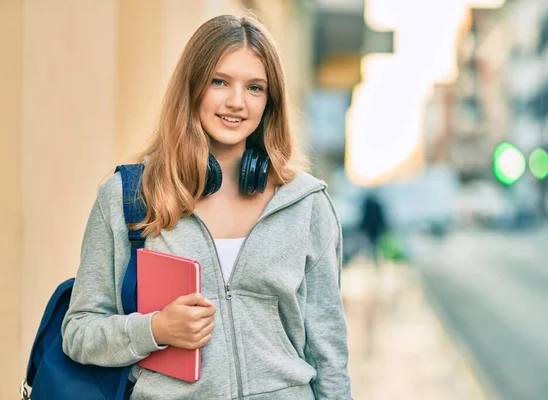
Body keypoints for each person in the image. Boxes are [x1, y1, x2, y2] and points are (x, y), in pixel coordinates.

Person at [61, 14, 352, 400]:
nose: (236, 102)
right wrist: (156, 329)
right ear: (193, 87)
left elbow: (329, 354)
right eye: (220, 81)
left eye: (255, 87)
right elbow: (79, 332)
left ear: (270, 101)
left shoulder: (305, 205)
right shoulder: (129, 197)